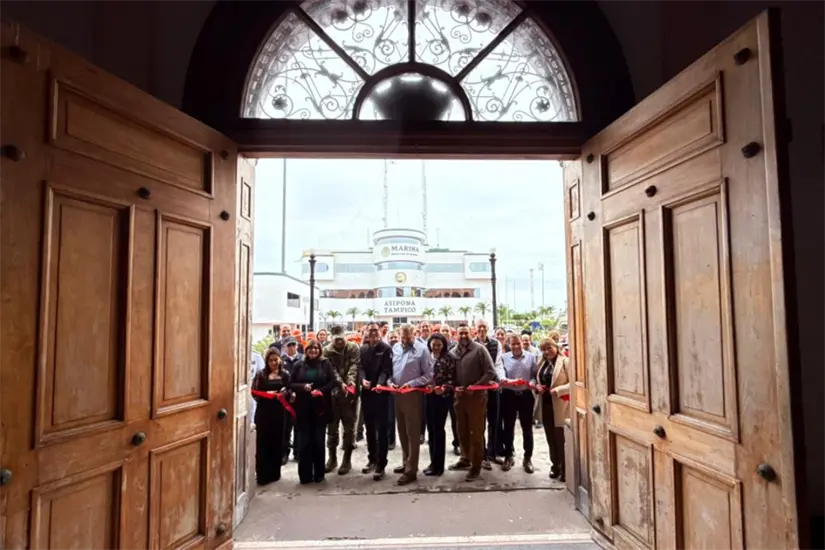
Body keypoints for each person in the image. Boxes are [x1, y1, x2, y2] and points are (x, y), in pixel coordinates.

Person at [449, 323, 496, 481]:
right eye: (460, 333)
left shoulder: (480, 349)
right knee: (461, 430)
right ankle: (465, 458)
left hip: (476, 398)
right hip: (459, 398)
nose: (463, 336)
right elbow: (451, 375)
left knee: (476, 432)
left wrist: (475, 386)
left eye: (465, 333)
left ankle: (476, 465)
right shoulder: (453, 352)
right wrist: (455, 386)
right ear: (456, 335)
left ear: (471, 333)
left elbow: (490, 372)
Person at [390, 323, 432, 485]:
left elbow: (429, 375)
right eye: (403, 336)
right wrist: (390, 382)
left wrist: (412, 384)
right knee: (401, 431)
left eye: (408, 336)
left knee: (412, 433)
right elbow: (392, 371)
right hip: (397, 394)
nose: (405, 339)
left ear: (414, 334)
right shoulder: (396, 349)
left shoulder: (422, 350)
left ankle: (411, 470)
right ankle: (406, 461)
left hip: (413, 395)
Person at [290, 340, 337, 484]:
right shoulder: (298, 365)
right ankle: (305, 475)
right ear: (306, 350)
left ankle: (319, 474)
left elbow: (332, 382)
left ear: (320, 350)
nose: (313, 351)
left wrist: (320, 391)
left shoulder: (326, 364)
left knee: (318, 441)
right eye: (311, 348)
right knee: (304, 442)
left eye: (316, 348)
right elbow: (291, 383)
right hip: (303, 408)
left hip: (320, 409)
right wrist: (302, 386)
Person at [323, 325, 360, 474]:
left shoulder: (353, 348)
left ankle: (347, 459)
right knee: (332, 428)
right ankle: (332, 458)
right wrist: (341, 383)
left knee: (349, 428)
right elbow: (331, 370)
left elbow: (354, 365)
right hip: (333, 394)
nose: (339, 342)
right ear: (332, 339)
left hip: (350, 395)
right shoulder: (327, 351)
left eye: (341, 339)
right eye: (336, 339)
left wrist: (350, 382)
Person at [500, 334, 539, 473]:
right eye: (513, 344)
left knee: (527, 428)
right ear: (509, 344)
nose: (516, 346)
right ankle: (508, 455)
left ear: (523, 343)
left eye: (518, 343)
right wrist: (506, 381)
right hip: (508, 395)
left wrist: (532, 383)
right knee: (508, 427)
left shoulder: (531, 357)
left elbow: (535, 375)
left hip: (525, 395)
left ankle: (527, 457)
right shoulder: (503, 358)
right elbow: (500, 375)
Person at [359, 326, 393, 480]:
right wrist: (362, 380)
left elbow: (387, 370)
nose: (373, 335)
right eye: (370, 332)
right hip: (367, 393)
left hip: (381, 393)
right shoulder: (363, 349)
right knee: (369, 428)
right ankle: (372, 459)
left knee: (382, 429)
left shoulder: (385, 349)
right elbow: (360, 367)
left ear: (380, 334)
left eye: (375, 332)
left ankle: (381, 463)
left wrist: (379, 383)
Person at [251, 349, 290, 485]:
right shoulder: (260, 374)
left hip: (279, 412)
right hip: (264, 412)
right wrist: (266, 394)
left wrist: (283, 394)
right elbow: (254, 392)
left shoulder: (285, 374)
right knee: (263, 443)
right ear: (267, 361)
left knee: (277, 441)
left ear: (280, 360)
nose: (274, 363)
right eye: (271, 360)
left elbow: (290, 390)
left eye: (276, 360)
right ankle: (262, 474)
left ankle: (274, 473)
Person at [536, 338, 570, 481]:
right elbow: (536, 379)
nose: (547, 351)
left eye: (549, 348)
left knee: (561, 438)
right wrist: (536, 387)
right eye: (543, 349)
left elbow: (574, 383)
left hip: (561, 404)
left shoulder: (565, 361)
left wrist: (558, 390)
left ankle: (565, 468)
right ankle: (554, 465)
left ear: (556, 347)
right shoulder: (542, 363)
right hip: (546, 404)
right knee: (550, 438)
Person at [474, 319, 505, 470]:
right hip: (478, 389)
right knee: (479, 423)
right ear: (475, 329)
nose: (481, 329)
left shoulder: (496, 344)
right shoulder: (471, 344)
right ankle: (482, 455)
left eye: (484, 327)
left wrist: (500, 380)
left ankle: (493, 452)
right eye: (479, 327)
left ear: (488, 329)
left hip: (493, 387)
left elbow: (498, 364)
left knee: (495, 421)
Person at [424, 332, 456, 476]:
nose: (436, 347)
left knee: (438, 430)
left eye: (439, 345)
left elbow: (452, 379)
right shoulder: (426, 357)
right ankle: (432, 462)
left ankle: (439, 466)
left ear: (443, 345)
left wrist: (443, 388)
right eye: (433, 344)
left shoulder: (448, 358)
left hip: (442, 397)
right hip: (428, 396)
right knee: (430, 430)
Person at [280, 338, 303, 463]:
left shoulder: (303, 360)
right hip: (286, 399)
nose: (292, 348)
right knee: (285, 427)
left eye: (294, 345)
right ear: (285, 348)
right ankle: (284, 453)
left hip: (300, 398)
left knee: (298, 427)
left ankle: (298, 452)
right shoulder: (281, 361)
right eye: (289, 346)